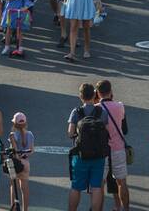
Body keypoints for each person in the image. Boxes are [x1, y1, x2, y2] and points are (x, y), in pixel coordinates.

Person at [67, 83, 109, 211]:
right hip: (98, 155)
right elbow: (106, 132)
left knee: (76, 187)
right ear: (94, 95)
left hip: (81, 155)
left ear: (81, 96)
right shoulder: (101, 112)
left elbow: (70, 132)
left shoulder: (77, 111)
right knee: (96, 187)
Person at [97, 79, 130, 211]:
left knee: (100, 184)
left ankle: (98, 208)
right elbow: (125, 129)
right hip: (118, 148)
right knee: (122, 182)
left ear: (98, 93)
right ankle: (125, 208)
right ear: (110, 91)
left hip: (102, 150)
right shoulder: (120, 106)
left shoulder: (96, 109)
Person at [7, 112, 34, 211]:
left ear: (14, 124)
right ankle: (25, 209)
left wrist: (18, 157)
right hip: (25, 162)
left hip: (15, 163)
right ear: (25, 123)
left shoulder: (13, 135)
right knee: (25, 187)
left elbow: (13, 150)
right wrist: (24, 156)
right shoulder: (30, 134)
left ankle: (13, 207)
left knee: (13, 186)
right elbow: (31, 150)